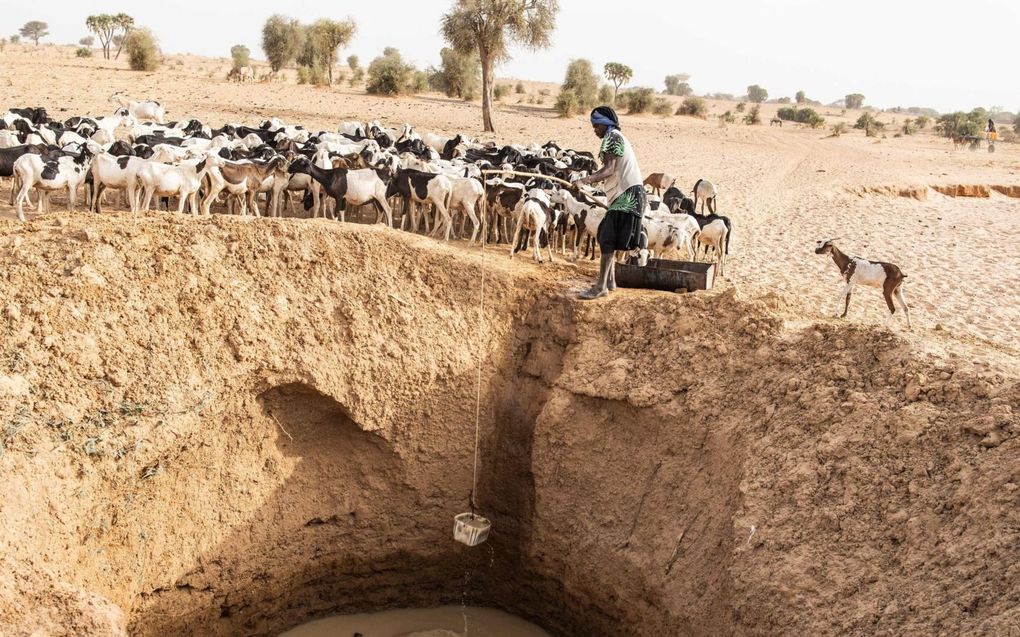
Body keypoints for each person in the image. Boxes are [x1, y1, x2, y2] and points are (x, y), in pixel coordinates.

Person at [571, 106, 645, 300]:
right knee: (606, 232)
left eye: (596, 126)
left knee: (606, 236)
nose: (594, 129)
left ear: (605, 124)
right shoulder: (616, 137)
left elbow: (610, 169)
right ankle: (610, 282)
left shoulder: (612, 138)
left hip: (627, 196)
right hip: (628, 194)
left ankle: (601, 286)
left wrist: (584, 181)